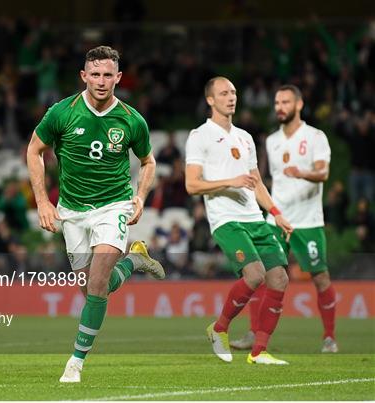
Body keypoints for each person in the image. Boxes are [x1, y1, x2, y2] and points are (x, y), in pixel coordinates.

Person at [27, 46, 165, 383]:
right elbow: (34, 150)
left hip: (113, 205)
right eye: (95, 74)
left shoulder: (132, 120)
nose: (101, 81)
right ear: (84, 76)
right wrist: (43, 202)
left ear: (118, 78)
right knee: (92, 290)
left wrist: (140, 196)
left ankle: (75, 361)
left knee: (99, 282)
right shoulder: (62, 112)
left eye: (108, 75)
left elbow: (148, 162)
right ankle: (135, 261)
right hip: (72, 212)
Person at [185, 77, 293, 365]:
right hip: (226, 219)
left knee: (279, 278)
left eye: (233, 92)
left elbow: (256, 181)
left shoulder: (245, 137)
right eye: (223, 93)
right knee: (255, 275)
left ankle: (259, 352)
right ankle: (218, 328)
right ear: (210, 100)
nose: (231, 97)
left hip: (254, 219)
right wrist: (229, 182)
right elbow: (192, 185)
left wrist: (276, 213)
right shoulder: (200, 136)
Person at [230, 85, 337, 353]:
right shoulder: (271, 141)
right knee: (261, 275)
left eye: (285, 102)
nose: (280, 107)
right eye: (277, 102)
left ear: (299, 104)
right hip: (276, 220)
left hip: (308, 221)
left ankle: (329, 337)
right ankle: (254, 334)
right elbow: (266, 179)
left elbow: (323, 173)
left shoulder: (315, 137)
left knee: (320, 278)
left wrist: (301, 172)